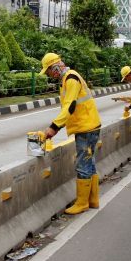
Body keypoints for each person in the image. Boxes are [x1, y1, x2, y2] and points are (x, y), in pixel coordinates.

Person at [40, 53, 102, 214]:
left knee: (83, 165)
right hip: (87, 126)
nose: (49, 75)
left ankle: (82, 203)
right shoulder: (66, 79)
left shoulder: (71, 79)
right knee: (89, 162)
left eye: (49, 71)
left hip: (86, 128)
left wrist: (54, 127)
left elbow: (70, 107)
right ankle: (93, 200)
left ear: (56, 67)